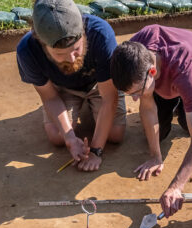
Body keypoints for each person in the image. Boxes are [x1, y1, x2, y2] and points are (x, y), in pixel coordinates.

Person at [111, 25, 192, 218]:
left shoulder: (187, 72)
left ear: (152, 72)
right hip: (163, 77)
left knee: (191, 126)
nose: (134, 99)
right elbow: (146, 105)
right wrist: (155, 156)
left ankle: (184, 103)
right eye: (130, 94)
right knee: (159, 133)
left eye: (136, 93)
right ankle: (175, 101)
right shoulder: (133, 55)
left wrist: (176, 187)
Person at [17, 0, 126, 171]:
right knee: (57, 137)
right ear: (42, 43)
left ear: (83, 31)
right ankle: (80, 110)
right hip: (63, 89)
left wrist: (96, 150)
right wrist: (69, 139)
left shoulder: (101, 33)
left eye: (77, 49)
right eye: (60, 54)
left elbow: (109, 97)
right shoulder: (27, 50)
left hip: (100, 85)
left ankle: (90, 109)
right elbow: (49, 96)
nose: (72, 59)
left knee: (115, 134)